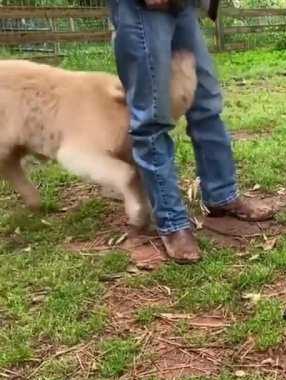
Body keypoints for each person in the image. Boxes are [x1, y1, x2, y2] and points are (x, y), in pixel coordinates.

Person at [108, 0, 276, 264]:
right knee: (152, 117)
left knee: (206, 103)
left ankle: (222, 195)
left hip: (183, 4)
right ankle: (172, 222)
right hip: (140, 8)